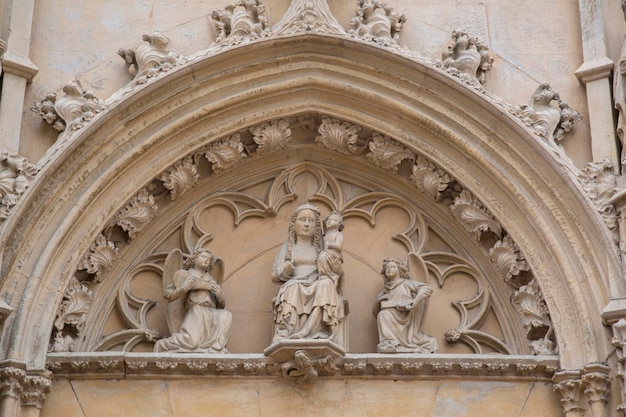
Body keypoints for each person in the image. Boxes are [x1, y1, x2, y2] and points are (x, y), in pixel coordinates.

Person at [271, 203, 343, 342]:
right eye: (302, 220)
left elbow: (338, 274)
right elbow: (274, 276)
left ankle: (320, 331)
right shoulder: (288, 247)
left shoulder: (323, 246)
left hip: (318, 283)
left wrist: (336, 268)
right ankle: (286, 332)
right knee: (291, 288)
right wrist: (285, 269)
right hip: (295, 283)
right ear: (294, 224)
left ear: (316, 226)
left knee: (326, 284)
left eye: (310, 221)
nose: (306, 224)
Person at [154, 248, 232, 353]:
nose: (206, 260)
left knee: (226, 315)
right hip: (196, 311)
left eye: (208, 259)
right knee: (192, 342)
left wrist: (220, 296)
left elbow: (220, 305)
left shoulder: (211, 279)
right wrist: (185, 287)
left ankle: (216, 348)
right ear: (194, 259)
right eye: (203, 257)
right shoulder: (185, 275)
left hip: (211, 313)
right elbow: (168, 295)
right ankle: (163, 345)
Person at [373, 256, 438, 353]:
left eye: (393, 267)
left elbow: (426, 288)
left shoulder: (406, 283)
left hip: (405, 318)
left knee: (384, 314)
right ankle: (389, 342)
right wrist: (379, 301)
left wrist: (415, 301)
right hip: (390, 317)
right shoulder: (385, 290)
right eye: (387, 268)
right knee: (382, 314)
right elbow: (375, 312)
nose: (389, 269)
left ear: (400, 270)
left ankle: (404, 343)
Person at [317, 211, 344, 287]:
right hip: (325, 253)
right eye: (328, 219)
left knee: (322, 256)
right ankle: (329, 276)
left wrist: (331, 245)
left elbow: (339, 246)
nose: (330, 221)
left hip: (334, 255)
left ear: (339, 224)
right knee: (321, 258)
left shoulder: (338, 234)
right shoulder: (325, 235)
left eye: (334, 220)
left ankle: (332, 275)